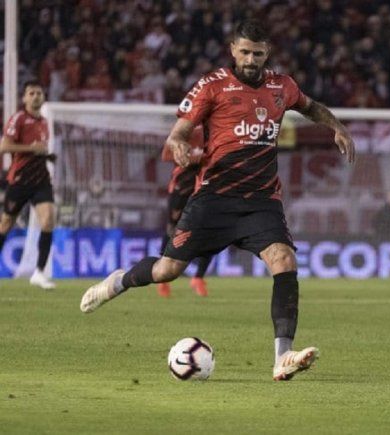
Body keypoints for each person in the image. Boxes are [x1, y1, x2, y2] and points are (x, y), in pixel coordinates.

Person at [80, 21, 356, 381]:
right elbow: (181, 129)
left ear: (267, 52)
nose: (251, 59)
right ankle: (117, 282)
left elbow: (310, 106)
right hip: (214, 198)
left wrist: (338, 127)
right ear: (233, 49)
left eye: (258, 53)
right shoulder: (212, 86)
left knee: (284, 260)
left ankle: (282, 355)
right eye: (244, 52)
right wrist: (179, 143)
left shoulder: (281, 86)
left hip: (261, 199)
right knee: (168, 270)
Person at [0, 80, 57, 289]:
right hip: (20, 180)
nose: (35, 96)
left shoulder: (43, 122)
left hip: (41, 180)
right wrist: (32, 149)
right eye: (31, 93)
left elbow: (39, 150)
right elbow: (4, 146)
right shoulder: (18, 118)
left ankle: (40, 273)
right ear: (24, 98)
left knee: (48, 220)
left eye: (39, 93)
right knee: (6, 224)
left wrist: (47, 155)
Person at [156, 125, 212, 298]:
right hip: (181, 188)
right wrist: (194, 156)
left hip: (202, 188)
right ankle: (162, 276)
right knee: (172, 231)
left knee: (211, 231)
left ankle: (198, 277)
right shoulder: (187, 132)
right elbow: (166, 155)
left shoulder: (218, 130)